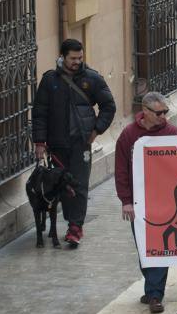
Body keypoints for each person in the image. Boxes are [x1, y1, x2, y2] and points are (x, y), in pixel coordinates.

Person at [33, 38, 116, 247]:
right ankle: (63, 223)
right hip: (56, 145)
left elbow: (109, 106)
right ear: (62, 57)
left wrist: (96, 130)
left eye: (80, 58)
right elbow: (40, 113)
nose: (77, 62)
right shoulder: (50, 80)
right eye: (73, 58)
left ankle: (75, 227)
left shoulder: (92, 79)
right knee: (61, 186)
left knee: (78, 184)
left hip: (81, 144)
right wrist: (39, 142)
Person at [114, 92, 177, 314]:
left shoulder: (171, 133)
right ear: (146, 111)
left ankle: (155, 294)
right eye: (159, 113)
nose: (164, 116)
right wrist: (126, 201)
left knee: (159, 247)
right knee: (144, 248)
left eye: (166, 112)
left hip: (166, 201)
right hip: (139, 202)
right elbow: (121, 169)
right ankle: (152, 286)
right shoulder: (128, 135)